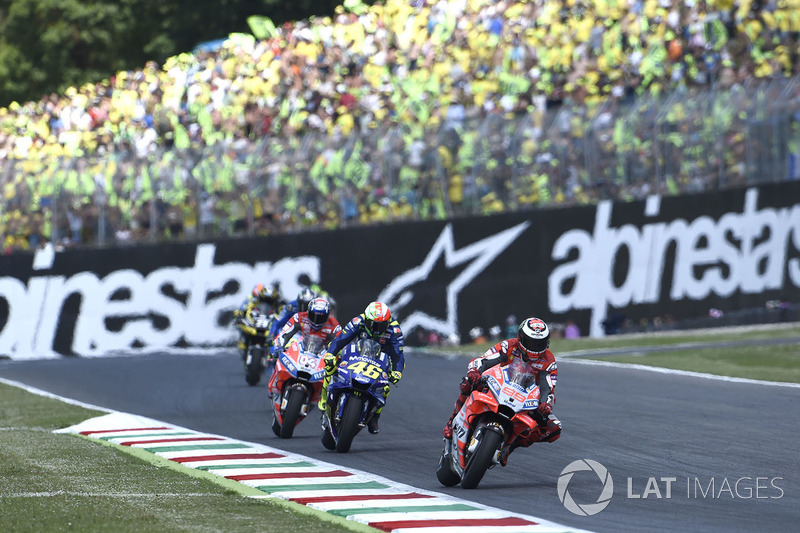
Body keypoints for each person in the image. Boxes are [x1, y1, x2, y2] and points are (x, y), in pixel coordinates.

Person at [442, 317, 562, 466]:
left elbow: (548, 387)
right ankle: (451, 421)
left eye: (541, 343)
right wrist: (475, 371)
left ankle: (509, 447)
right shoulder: (509, 346)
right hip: (499, 384)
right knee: (468, 382)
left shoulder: (548, 360)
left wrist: (545, 404)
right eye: (532, 343)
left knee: (554, 428)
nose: (536, 347)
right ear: (521, 338)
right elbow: (484, 360)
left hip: (527, 399)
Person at [319, 301, 404, 434]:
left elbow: (398, 354)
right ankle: (324, 401)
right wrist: (330, 354)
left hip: (379, 360)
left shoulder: (394, 329)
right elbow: (341, 339)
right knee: (330, 367)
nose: (377, 329)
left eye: (381, 325)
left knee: (385, 386)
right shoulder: (358, 322)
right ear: (367, 320)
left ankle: (375, 417)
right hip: (355, 354)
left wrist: (397, 372)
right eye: (373, 325)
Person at [270, 297, 341, 357]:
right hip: (299, 351)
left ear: (328, 316)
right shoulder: (298, 317)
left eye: (321, 317)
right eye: (313, 316)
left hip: (321, 357)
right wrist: (279, 346)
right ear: (308, 312)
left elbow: (341, 343)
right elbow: (284, 334)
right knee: (275, 354)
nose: (316, 321)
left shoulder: (334, 325)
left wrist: (337, 356)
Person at [233, 283, 285, 359]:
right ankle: (243, 344)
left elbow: (283, 313)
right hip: (256, 322)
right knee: (241, 326)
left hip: (268, 324)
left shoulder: (279, 304)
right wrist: (240, 313)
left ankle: (273, 355)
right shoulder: (252, 301)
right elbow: (245, 309)